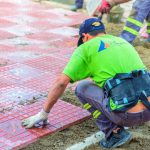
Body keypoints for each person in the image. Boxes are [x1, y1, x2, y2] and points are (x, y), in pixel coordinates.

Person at [21, 18, 150, 148]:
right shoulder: (123, 42)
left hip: (127, 116)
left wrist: (44, 113)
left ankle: (114, 133)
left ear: (85, 36)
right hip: (148, 108)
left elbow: (61, 82)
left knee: (82, 88)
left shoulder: (86, 48)